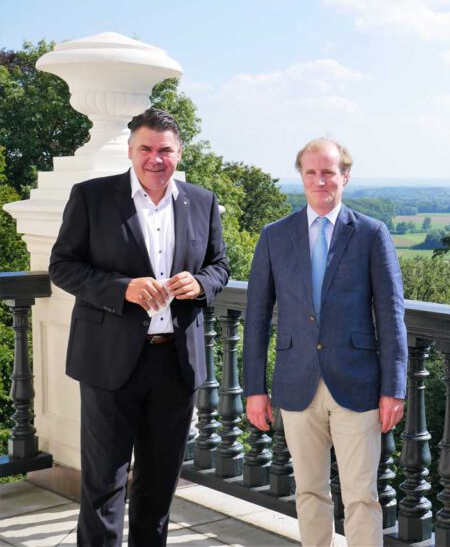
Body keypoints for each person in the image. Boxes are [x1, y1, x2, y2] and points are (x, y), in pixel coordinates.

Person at [49, 108, 230, 546]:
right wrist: (123, 288)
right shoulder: (92, 197)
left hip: (175, 363)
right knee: (104, 486)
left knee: (158, 486)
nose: (156, 158)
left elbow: (220, 266)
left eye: (165, 150)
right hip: (108, 361)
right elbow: (62, 266)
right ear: (131, 151)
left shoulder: (201, 201)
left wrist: (200, 282)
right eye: (146, 148)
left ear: (178, 152)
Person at [243, 137, 408, 547]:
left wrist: (394, 388)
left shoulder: (372, 234)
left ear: (345, 176)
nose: (320, 181)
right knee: (309, 492)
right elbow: (258, 319)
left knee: (361, 497)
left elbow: (390, 316)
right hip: (296, 384)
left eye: (329, 172)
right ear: (301, 176)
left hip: (358, 385)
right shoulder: (274, 236)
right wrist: (254, 390)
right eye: (311, 172)